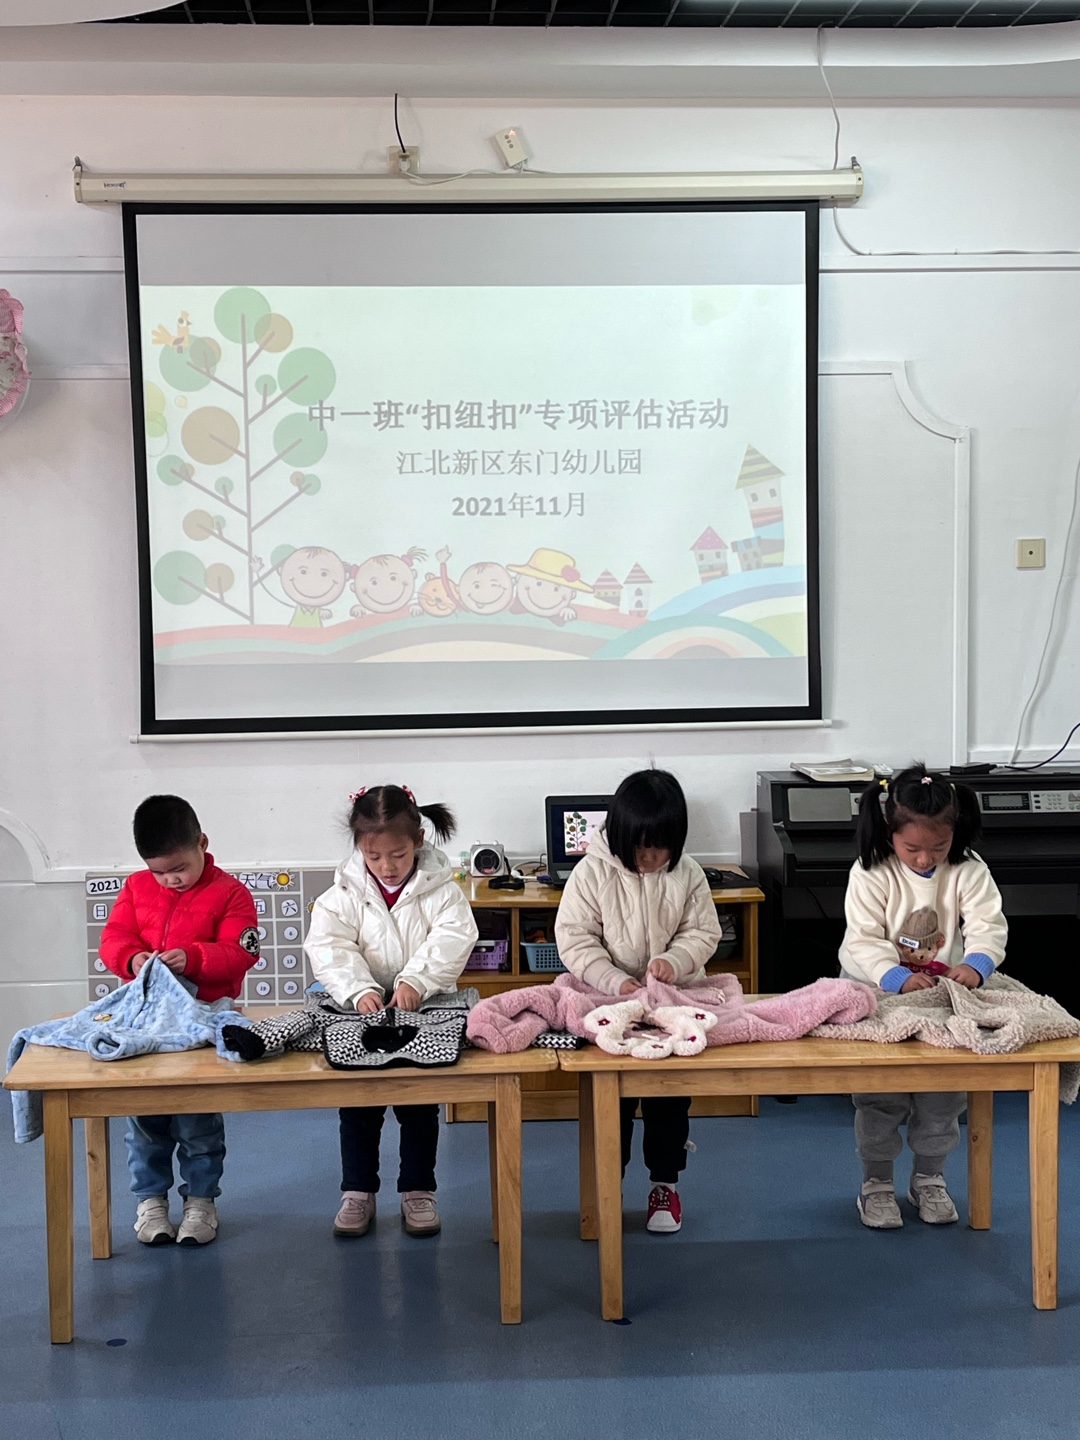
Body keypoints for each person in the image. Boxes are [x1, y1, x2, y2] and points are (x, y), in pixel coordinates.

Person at [304, 784, 478, 1239]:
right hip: (361, 1013)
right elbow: (329, 946)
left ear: (418, 840)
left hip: (426, 1007)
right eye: (374, 856)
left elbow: (453, 940)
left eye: (398, 855)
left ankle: (418, 1190)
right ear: (359, 847)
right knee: (359, 1106)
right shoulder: (343, 892)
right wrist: (358, 988)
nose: (386, 866)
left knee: (418, 1104)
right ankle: (357, 1191)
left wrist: (416, 980)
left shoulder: (443, 890)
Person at [841, 764, 1008, 1229]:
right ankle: (876, 1183)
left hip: (939, 995)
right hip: (878, 991)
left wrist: (976, 963)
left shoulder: (969, 868)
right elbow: (862, 939)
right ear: (889, 831)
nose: (923, 859)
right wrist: (895, 976)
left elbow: (988, 925)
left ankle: (929, 1178)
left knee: (943, 1096)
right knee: (880, 1097)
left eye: (938, 847)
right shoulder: (871, 871)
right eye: (911, 848)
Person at [555, 769, 722, 1234]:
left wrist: (674, 960)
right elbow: (575, 939)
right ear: (620, 835)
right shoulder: (591, 872)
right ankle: (607, 1187)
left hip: (672, 1001)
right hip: (609, 1003)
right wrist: (615, 981)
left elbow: (703, 932)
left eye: (660, 848)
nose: (649, 858)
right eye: (640, 848)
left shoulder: (687, 873)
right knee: (612, 1105)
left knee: (669, 1101)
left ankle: (665, 1184)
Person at [98, 795, 260, 1247]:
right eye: (159, 872)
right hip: (146, 1023)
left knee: (197, 1120)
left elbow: (242, 952)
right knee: (145, 1119)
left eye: (180, 868)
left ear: (202, 844)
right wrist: (132, 959)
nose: (170, 879)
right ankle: (150, 1201)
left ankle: (201, 1202)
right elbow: (114, 939)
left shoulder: (230, 893)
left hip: (202, 1022)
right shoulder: (136, 889)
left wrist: (194, 958)